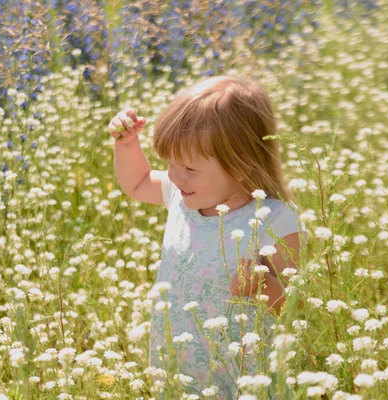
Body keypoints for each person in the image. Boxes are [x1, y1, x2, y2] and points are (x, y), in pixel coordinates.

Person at [107, 75, 309, 399]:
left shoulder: (276, 221)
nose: (174, 175)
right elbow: (138, 181)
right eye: (170, 162)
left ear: (241, 166)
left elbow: (298, 309)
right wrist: (127, 144)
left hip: (241, 377)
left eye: (189, 168)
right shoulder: (182, 194)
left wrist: (262, 288)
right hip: (179, 366)